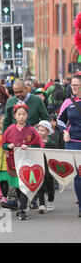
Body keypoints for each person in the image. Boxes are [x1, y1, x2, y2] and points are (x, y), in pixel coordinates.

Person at [1, 103, 44, 220]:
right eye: (19, 114)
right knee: (17, 186)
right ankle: (22, 206)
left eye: (23, 114)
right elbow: (3, 144)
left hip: (27, 163)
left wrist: (28, 146)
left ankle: (23, 210)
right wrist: (8, 145)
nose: (21, 117)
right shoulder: (9, 129)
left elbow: (38, 145)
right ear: (14, 116)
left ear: (27, 115)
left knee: (24, 185)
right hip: (13, 163)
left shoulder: (31, 130)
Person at [57, 74, 81, 217]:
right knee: (79, 176)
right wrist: (65, 131)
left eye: (76, 85)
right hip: (74, 143)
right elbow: (60, 120)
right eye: (72, 85)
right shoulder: (68, 102)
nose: (73, 87)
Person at [35, 120, 56, 214]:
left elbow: (56, 155)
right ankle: (42, 204)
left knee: (50, 186)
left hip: (49, 168)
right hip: (39, 167)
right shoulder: (35, 142)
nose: (40, 132)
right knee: (40, 185)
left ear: (48, 132)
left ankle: (51, 199)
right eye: (38, 130)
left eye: (42, 130)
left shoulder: (52, 143)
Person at [0, 115, 14, 205]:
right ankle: (4, 194)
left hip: (6, 157)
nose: (3, 124)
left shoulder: (9, 133)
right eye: (1, 122)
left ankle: (5, 196)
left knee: (6, 179)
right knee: (0, 179)